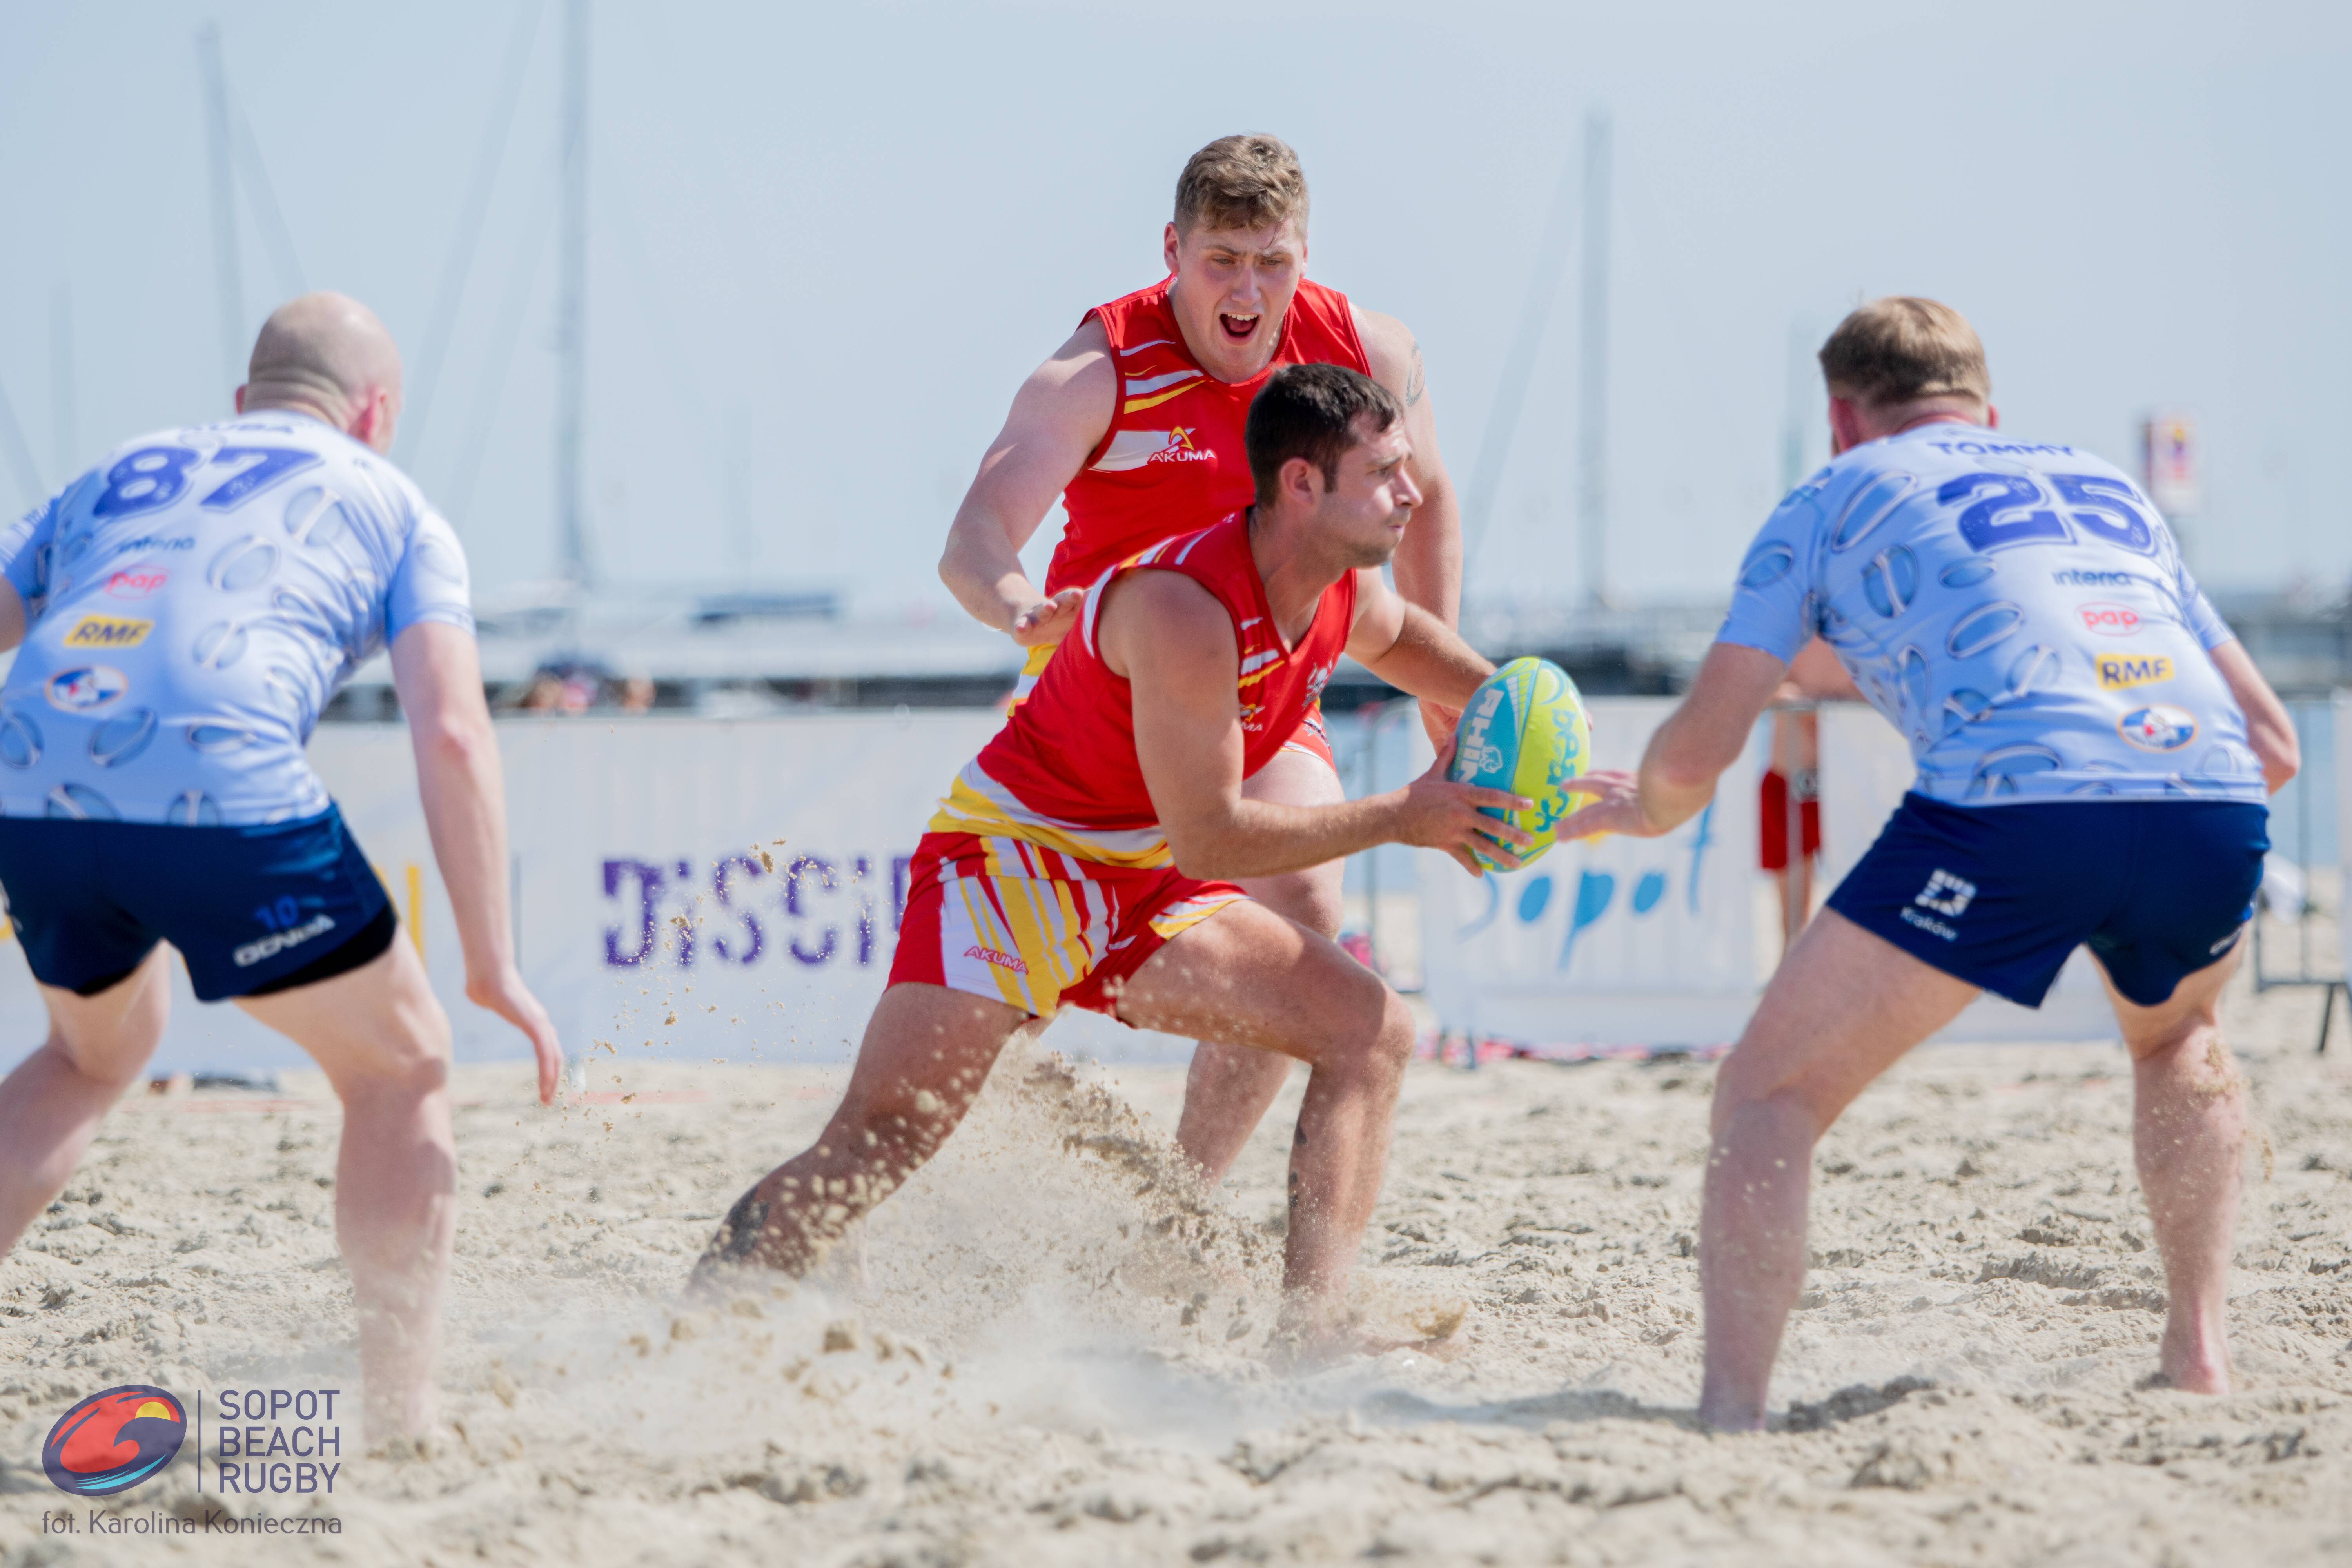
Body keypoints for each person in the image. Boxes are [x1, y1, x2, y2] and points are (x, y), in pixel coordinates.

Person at [701, 366, 1565, 1352]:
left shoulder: (1339, 588)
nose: (1413, 492)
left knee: (1372, 1030)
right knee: (877, 1143)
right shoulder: (1184, 607)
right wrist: (1408, 813)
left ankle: (1311, 1333)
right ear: (1301, 486)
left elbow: (1408, 635)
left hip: (1136, 880)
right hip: (1012, 866)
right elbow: (1214, 838)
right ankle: (696, 1328)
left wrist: (1525, 714)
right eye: (1385, 473)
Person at [1555, 298, 2299, 1429]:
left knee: (1768, 1091)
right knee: (2181, 1038)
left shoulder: (1829, 497)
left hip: (2017, 802)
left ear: (1843, 421)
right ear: (1987, 411)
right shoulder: (2110, 490)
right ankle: (2201, 1355)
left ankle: (1730, 1415)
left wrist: (1641, 809)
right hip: (2214, 793)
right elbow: (2279, 745)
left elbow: (1703, 744)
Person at [0, 293, 564, 1440]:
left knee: (90, 1054)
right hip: (218, 775)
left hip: (29, 773)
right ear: (377, 414)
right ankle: (401, 1421)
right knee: (401, 1067)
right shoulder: (398, 505)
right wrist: (494, 963)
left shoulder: (123, 468)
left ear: (244, 402)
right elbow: (453, 732)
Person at [936, 134, 1462, 1189]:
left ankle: (1182, 1199)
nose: (1248, 289)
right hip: (1106, 687)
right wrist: (1019, 607)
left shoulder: (1368, 349)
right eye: (1222, 259)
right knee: (1009, 984)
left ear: (1303, 258)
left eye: (1272, 262)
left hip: (1268, 683)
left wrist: (1438, 691)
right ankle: (910, 1147)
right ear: (1173, 250)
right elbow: (976, 536)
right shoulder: (1099, 367)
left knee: (1309, 915)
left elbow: (1431, 498)